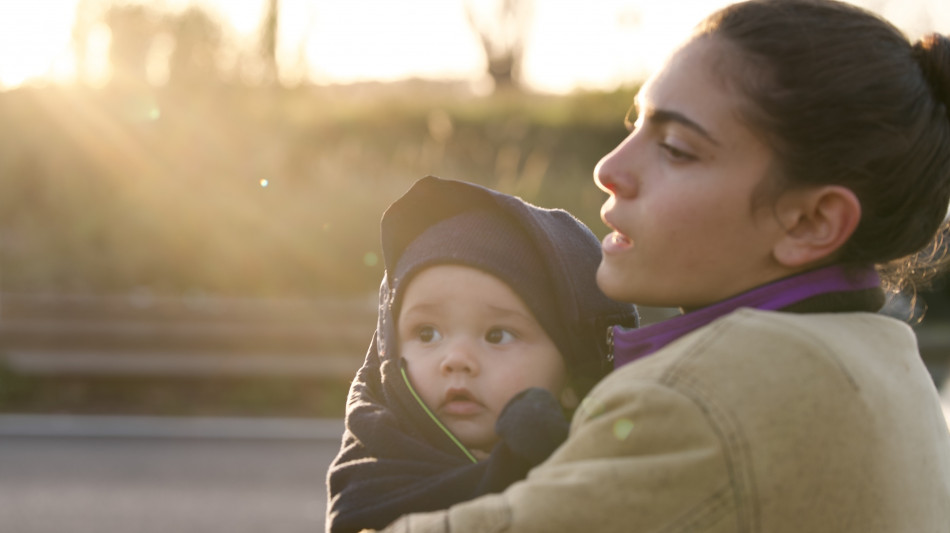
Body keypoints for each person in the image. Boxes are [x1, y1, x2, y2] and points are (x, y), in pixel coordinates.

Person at [369, 1, 950, 531]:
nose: (609, 167)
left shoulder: (697, 397)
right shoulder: (886, 356)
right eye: (635, 125)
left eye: (675, 147)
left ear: (810, 222)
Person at [325, 176, 638, 533]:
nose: (456, 359)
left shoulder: (620, 482)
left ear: (575, 367)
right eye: (426, 333)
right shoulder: (375, 487)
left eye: (498, 335)